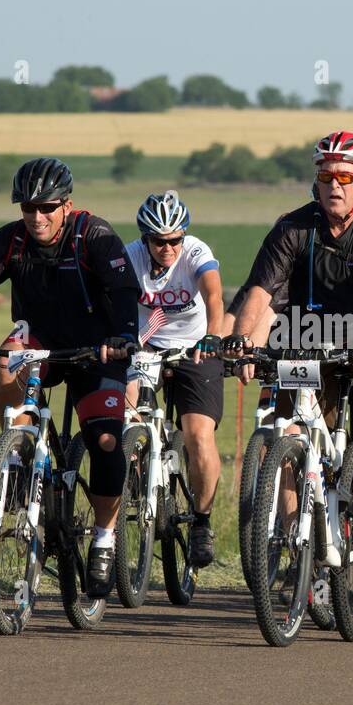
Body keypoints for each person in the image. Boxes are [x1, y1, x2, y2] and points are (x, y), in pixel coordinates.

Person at [0, 157, 140, 596]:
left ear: (67, 205)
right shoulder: (11, 240)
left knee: (104, 441)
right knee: (9, 354)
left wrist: (122, 336)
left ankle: (103, 536)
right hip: (39, 342)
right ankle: (20, 446)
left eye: (46, 208)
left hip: (96, 347)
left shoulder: (94, 234)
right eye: (28, 208)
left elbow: (123, 292)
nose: (36, 217)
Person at [224, 131, 353, 578]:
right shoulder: (293, 226)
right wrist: (243, 339)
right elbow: (261, 292)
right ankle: (296, 546)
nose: (335, 185)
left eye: (346, 176)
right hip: (310, 336)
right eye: (326, 175)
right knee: (289, 434)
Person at [124, 191, 224, 567]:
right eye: (158, 240)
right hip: (145, 348)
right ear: (144, 238)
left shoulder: (196, 251)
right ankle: (136, 473)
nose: (168, 248)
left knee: (198, 434)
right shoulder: (131, 255)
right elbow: (112, 297)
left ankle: (202, 520)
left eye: (174, 239)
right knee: (127, 411)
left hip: (195, 347)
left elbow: (213, 295)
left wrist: (212, 337)